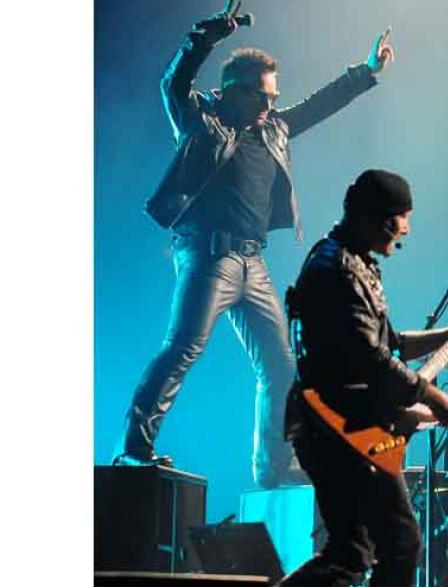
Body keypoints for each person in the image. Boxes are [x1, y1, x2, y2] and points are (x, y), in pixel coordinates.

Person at [111, 4, 396, 489]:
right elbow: (172, 83)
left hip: (252, 261)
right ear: (233, 92)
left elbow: (319, 105)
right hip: (208, 254)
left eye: (274, 97)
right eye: (262, 96)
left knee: (282, 367)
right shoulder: (200, 120)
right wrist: (210, 34)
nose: (270, 105)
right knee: (183, 347)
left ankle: (275, 469)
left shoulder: (275, 128)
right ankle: (133, 449)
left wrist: (366, 72)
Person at [272, 170, 448, 587]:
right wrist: (431, 395)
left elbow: (392, 343)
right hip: (341, 426)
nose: (408, 231)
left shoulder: (354, 262)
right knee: (399, 542)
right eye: (403, 220)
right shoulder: (336, 269)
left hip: (339, 424)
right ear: (380, 220)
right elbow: (372, 361)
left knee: (352, 552)